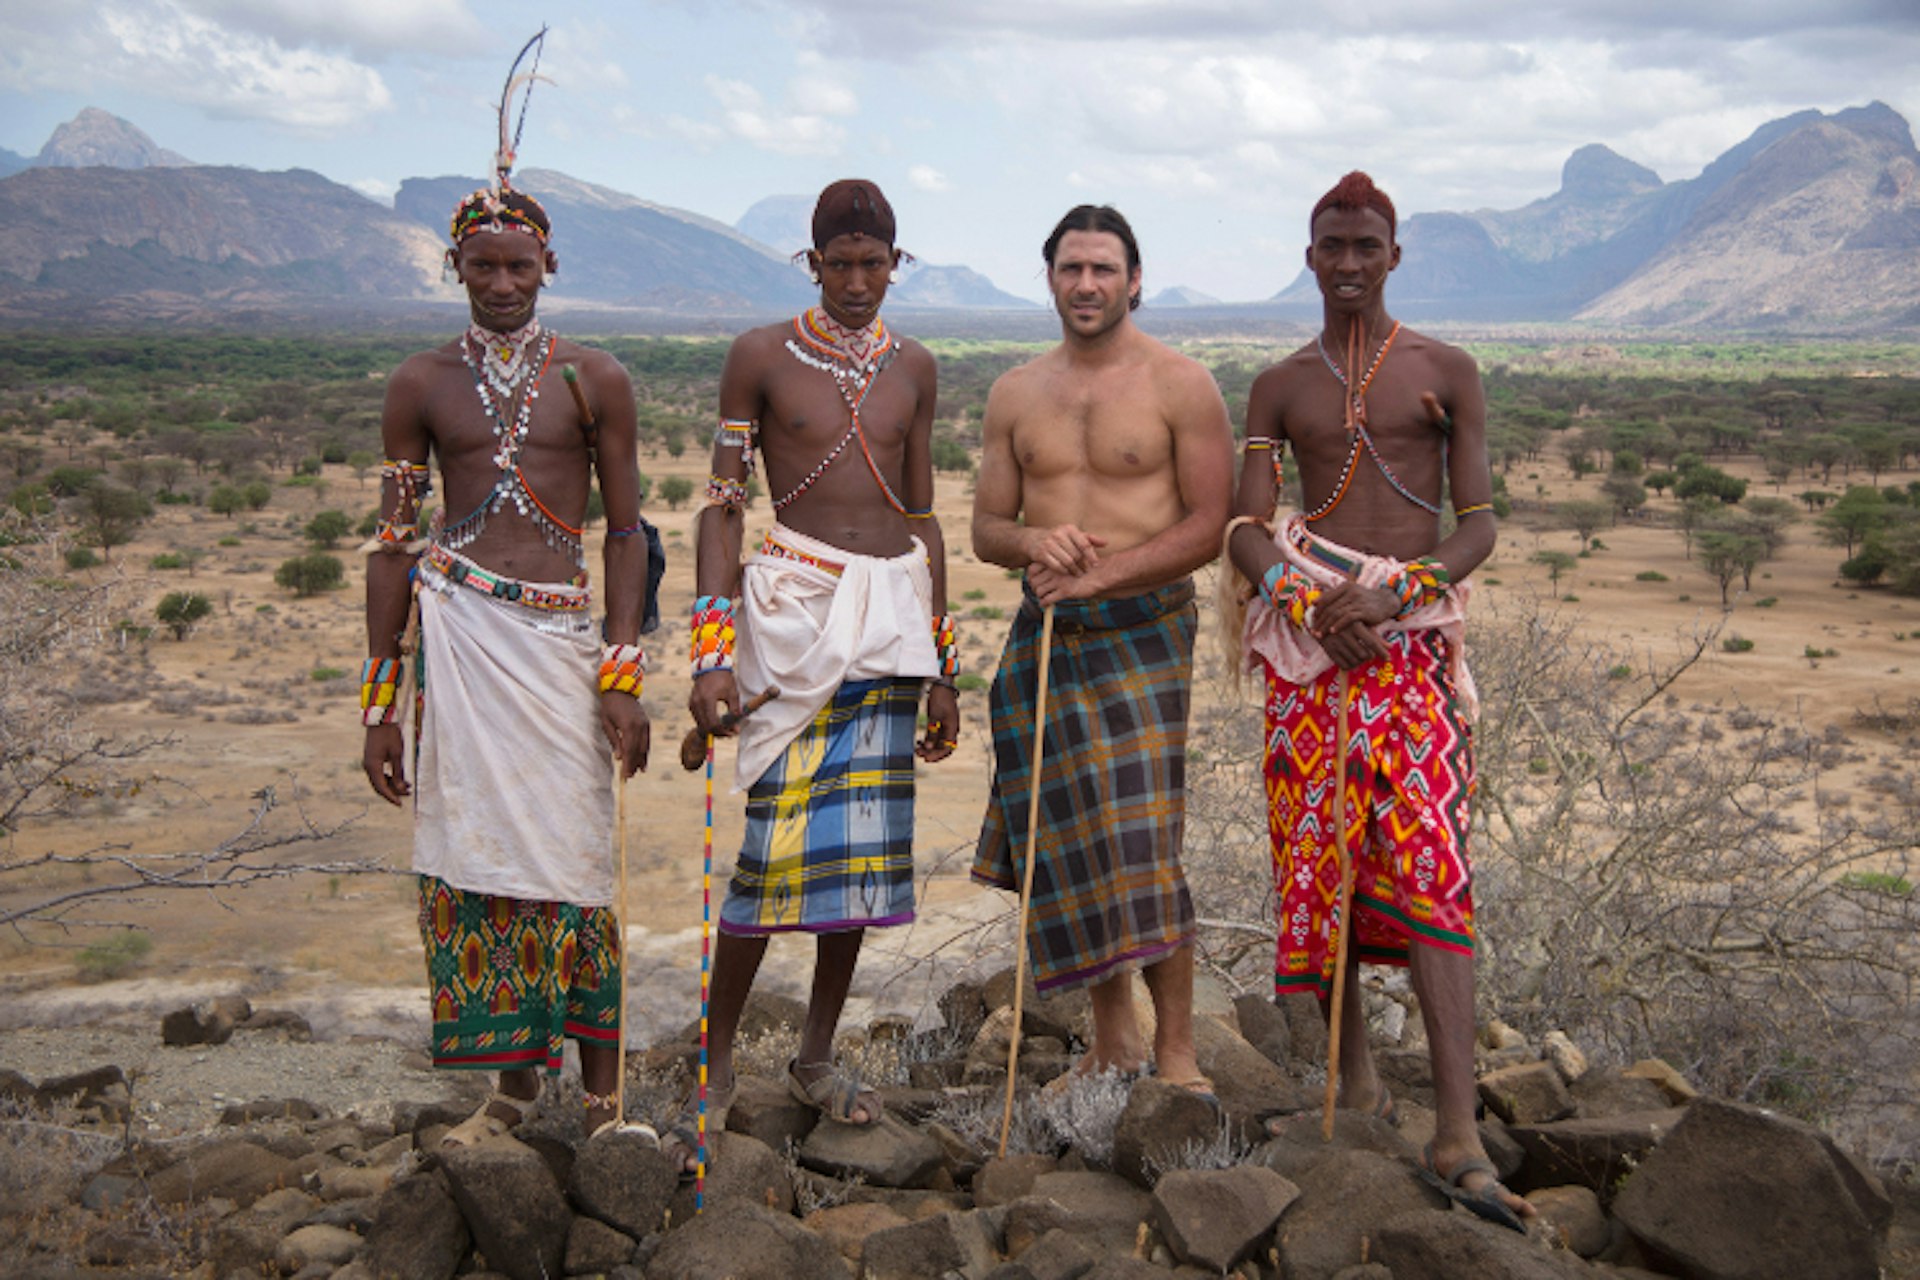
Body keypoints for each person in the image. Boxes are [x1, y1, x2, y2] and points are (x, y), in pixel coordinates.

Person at [1224, 170, 1532, 1229]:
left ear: (1394, 255)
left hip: (1411, 650)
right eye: (1330, 245)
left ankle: (1456, 1128)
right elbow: (1245, 525)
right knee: (1324, 857)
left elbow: (1479, 523)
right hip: (1316, 649)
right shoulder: (1277, 384)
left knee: (1435, 866)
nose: (1348, 262)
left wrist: (1399, 588)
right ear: (1309, 257)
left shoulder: (1448, 370)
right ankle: (1352, 1083)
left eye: (1367, 245)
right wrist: (1308, 601)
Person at [362, 158, 651, 1146]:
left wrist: (622, 670)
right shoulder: (418, 383)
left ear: (548, 263)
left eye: (517, 265)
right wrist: (377, 705)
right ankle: (518, 1082)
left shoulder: (594, 378)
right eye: (480, 265)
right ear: (454, 265)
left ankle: (605, 1094)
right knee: (481, 869)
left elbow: (625, 533)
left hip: (563, 645)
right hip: (461, 640)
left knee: (578, 860)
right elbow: (394, 542)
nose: (499, 283)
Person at [676, 179, 958, 1170]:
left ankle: (813, 1052)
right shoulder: (759, 355)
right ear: (812, 264)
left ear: (896, 261)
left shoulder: (916, 367)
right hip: (793, 615)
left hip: (890, 621)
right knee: (771, 854)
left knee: (862, 865)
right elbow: (720, 509)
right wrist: (711, 655)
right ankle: (711, 1066)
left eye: (872, 265)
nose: (854, 282)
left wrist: (943, 664)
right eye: (836, 265)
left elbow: (921, 517)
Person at [971, 205, 1233, 1096]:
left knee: (1142, 835)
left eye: (1104, 269)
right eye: (1072, 268)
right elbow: (986, 528)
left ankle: (1179, 1052)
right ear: (1049, 278)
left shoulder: (1180, 384)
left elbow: (1209, 526)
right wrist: (1034, 548)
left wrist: (1104, 574)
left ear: (1134, 280)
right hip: (1048, 633)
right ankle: (1114, 1037)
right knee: (1073, 841)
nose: (1087, 284)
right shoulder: (1015, 393)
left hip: (1143, 631)